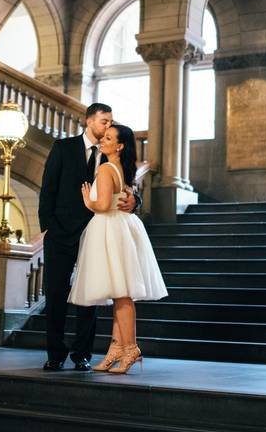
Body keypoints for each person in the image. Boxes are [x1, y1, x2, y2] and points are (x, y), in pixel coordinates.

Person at [38, 103, 137, 371]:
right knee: (56, 295)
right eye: (104, 121)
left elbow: (126, 183)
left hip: (97, 232)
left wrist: (134, 200)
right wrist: (48, 226)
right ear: (89, 121)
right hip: (60, 234)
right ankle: (55, 354)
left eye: (111, 122)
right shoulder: (63, 147)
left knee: (90, 298)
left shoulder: (110, 151)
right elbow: (48, 188)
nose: (108, 126)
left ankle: (82, 354)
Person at [68, 122, 168, 374]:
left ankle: (131, 348)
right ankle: (116, 347)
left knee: (121, 294)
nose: (103, 140)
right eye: (105, 136)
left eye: (109, 138)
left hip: (110, 228)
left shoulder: (104, 169)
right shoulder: (125, 168)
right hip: (121, 227)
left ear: (120, 145)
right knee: (118, 292)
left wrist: (87, 201)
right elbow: (122, 198)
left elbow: (102, 205)